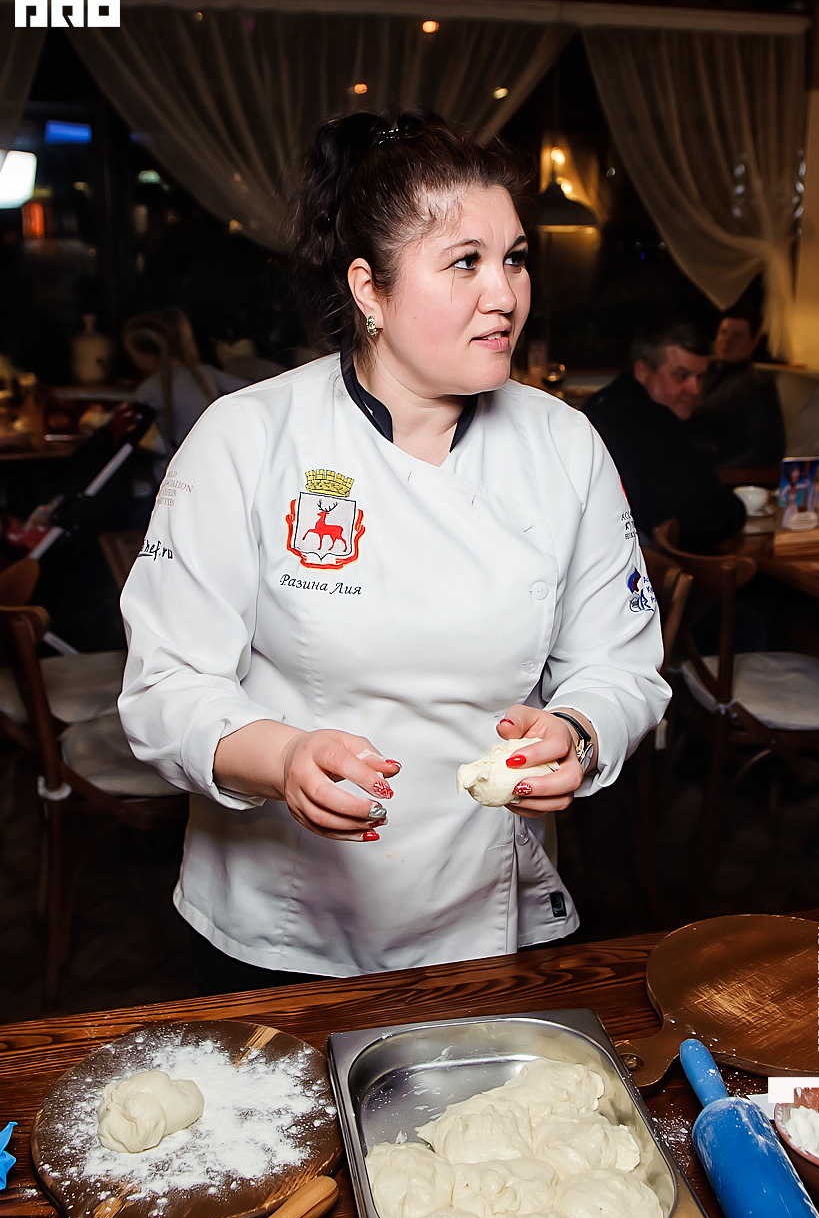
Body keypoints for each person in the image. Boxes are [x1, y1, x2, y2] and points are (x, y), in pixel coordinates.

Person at [118, 109, 669, 994]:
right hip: (282, 924)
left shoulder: (565, 445)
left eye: (515, 258)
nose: (505, 294)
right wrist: (281, 758)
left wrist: (577, 729)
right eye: (465, 263)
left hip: (484, 914)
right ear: (368, 290)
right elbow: (164, 688)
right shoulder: (249, 438)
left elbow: (622, 665)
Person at [583, 321, 746, 550]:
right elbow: (698, 521)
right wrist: (738, 510)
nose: (695, 390)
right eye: (681, 376)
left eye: (700, 377)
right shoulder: (643, 424)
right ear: (643, 372)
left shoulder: (609, 401)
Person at [123, 307, 247, 479]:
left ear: (148, 355)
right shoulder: (206, 373)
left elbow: (123, 424)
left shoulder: (149, 389)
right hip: (216, 470)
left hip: (175, 478)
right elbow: (253, 389)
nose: (132, 362)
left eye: (132, 356)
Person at [686, 304, 785, 471]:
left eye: (737, 336)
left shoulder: (754, 385)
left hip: (716, 468)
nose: (727, 340)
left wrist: (719, 474)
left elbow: (768, 448)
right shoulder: (703, 372)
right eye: (723, 332)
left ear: (754, 342)